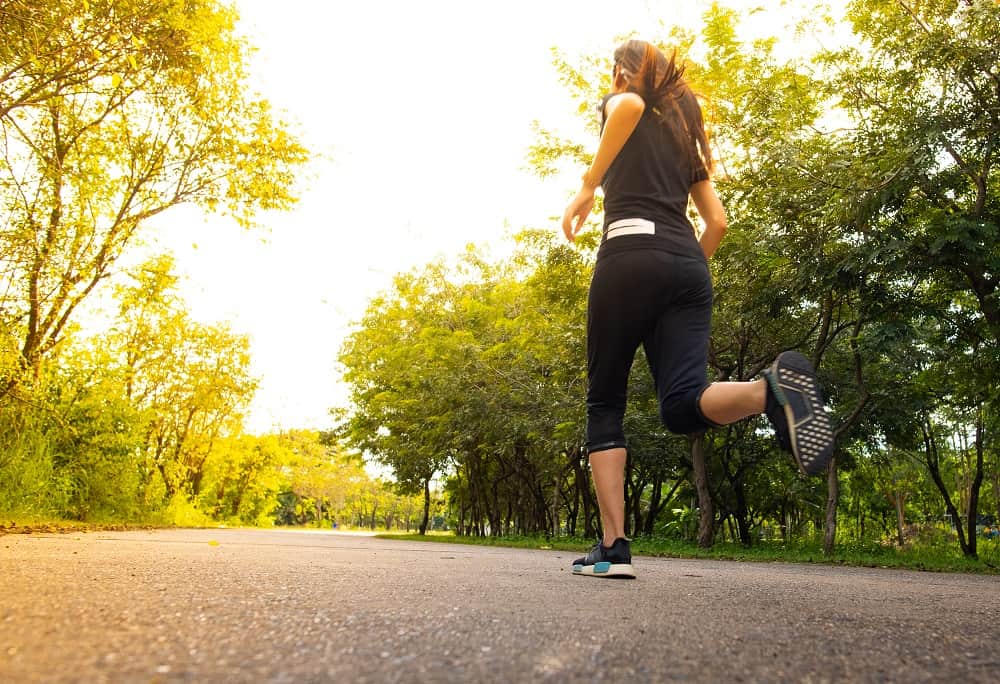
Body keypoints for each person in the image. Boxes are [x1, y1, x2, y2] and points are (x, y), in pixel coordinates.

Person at [561, 40, 836, 579]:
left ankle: (613, 546)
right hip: (688, 265)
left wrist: (589, 186)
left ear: (623, 72)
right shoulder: (686, 138)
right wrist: (680, 265)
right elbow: (718, 223)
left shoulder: (624, 100)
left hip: (628, 254)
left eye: (615, 74)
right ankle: (769, 391)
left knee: (605, 402)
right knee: (680, 406)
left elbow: (630, 107)